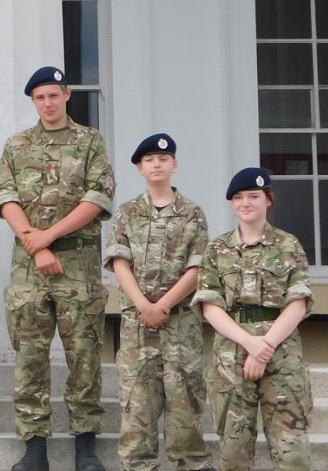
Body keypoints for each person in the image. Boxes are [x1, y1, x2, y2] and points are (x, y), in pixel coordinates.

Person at [0, 66, 114, 471]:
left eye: (53, 95)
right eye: (39, 97)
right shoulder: (17, 144)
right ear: (33, 101)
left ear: (66, 95)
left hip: (77, 262)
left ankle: (85, 446)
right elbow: (6, 197)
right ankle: (34, 448)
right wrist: (34, 240)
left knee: (84, 354)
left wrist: (50, 237)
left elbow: (97, 197)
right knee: (30, 355)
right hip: (29, 266)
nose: (47, 103)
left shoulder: (90, 141)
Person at [103, 133, 214, 470]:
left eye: (163, 159)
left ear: (174, 165)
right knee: (137, 409)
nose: (156, 164)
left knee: (185, 408)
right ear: (139, 168)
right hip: (138, 325)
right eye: (149, 160)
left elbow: (199, 266)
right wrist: (144, 306)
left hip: (180, 323)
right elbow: (118, 262)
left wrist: (163, 304)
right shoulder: (127, 213)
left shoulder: (193, 213)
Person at [195, 167, 313, 471]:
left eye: (253, 196)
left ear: (268, 200)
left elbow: (298, 303)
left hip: (282, 355)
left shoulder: (288, 246)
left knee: (292, 451)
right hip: (231, 355)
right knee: (234, 451)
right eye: (238, 197)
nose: (245, 202)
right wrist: (250, 343)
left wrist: (265, 347)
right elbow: (210, 307)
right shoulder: (217, 250)